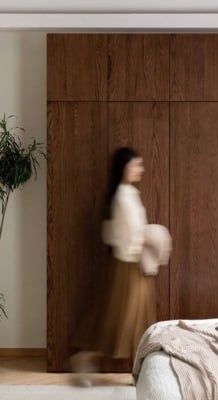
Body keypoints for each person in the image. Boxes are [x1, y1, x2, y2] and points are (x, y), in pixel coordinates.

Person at [70, 147, 158, 386]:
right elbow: (132, 234)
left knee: (135, 321)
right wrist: (155, 238)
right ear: (124, 168)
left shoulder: (129, 193)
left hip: (133, 265)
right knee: (122, 321)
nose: (141, 169)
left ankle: (135, 371)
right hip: (128, 267)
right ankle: (86, 359)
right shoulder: (122, 196)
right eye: (136, 165)